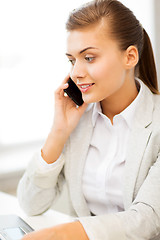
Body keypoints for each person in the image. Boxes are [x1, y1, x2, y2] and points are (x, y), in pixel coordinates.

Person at [17, 0, 160, 239]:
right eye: (72, 60)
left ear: (130, 56)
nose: (76, 72)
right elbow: (31, 204)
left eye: (89, 58)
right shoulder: (79, 120)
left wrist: (62, 234)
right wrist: (58, 132)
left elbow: (147, 219)